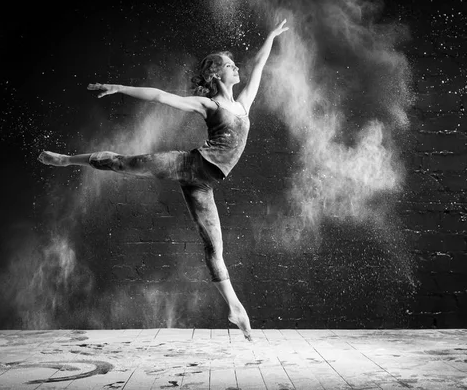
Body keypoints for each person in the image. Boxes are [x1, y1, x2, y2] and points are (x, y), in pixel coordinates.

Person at [38, 19, 289, 341]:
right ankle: (67, 159)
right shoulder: (208, 104)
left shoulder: (243, 105)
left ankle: (235, 308)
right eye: (229, 65)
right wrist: (120, 88)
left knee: (213, 248)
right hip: (189, 165)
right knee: (123, 163)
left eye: (235, 64)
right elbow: (160, 97)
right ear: (215, 74)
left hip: (204, 183)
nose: (237, 68)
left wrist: (270, 36)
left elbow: (260, 67)